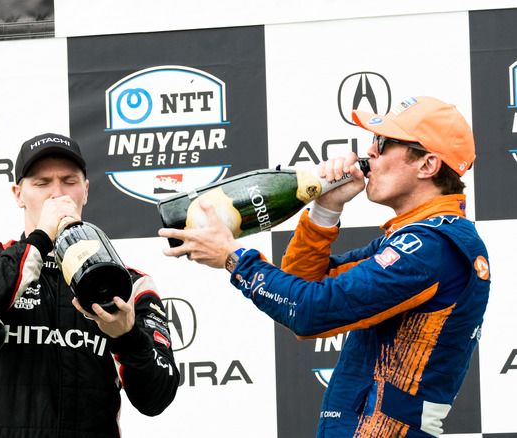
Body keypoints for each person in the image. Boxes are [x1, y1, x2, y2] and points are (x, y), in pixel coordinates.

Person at [159, 96, 490, 437]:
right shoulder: (418, 239)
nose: (370, 151)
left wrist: (233, 258)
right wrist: (325, 209)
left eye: (383, 142)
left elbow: (311, 312)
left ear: (427, 165)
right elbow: (302, 283)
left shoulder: (432, 247)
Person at [0, 133, 179, 438]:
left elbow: (157, 398)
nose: (57, 195)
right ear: (18, 194)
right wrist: (41, 240)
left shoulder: (129, 283)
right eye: (42, 183)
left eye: (69, 181)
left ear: (85, 191)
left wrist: (126, 338)